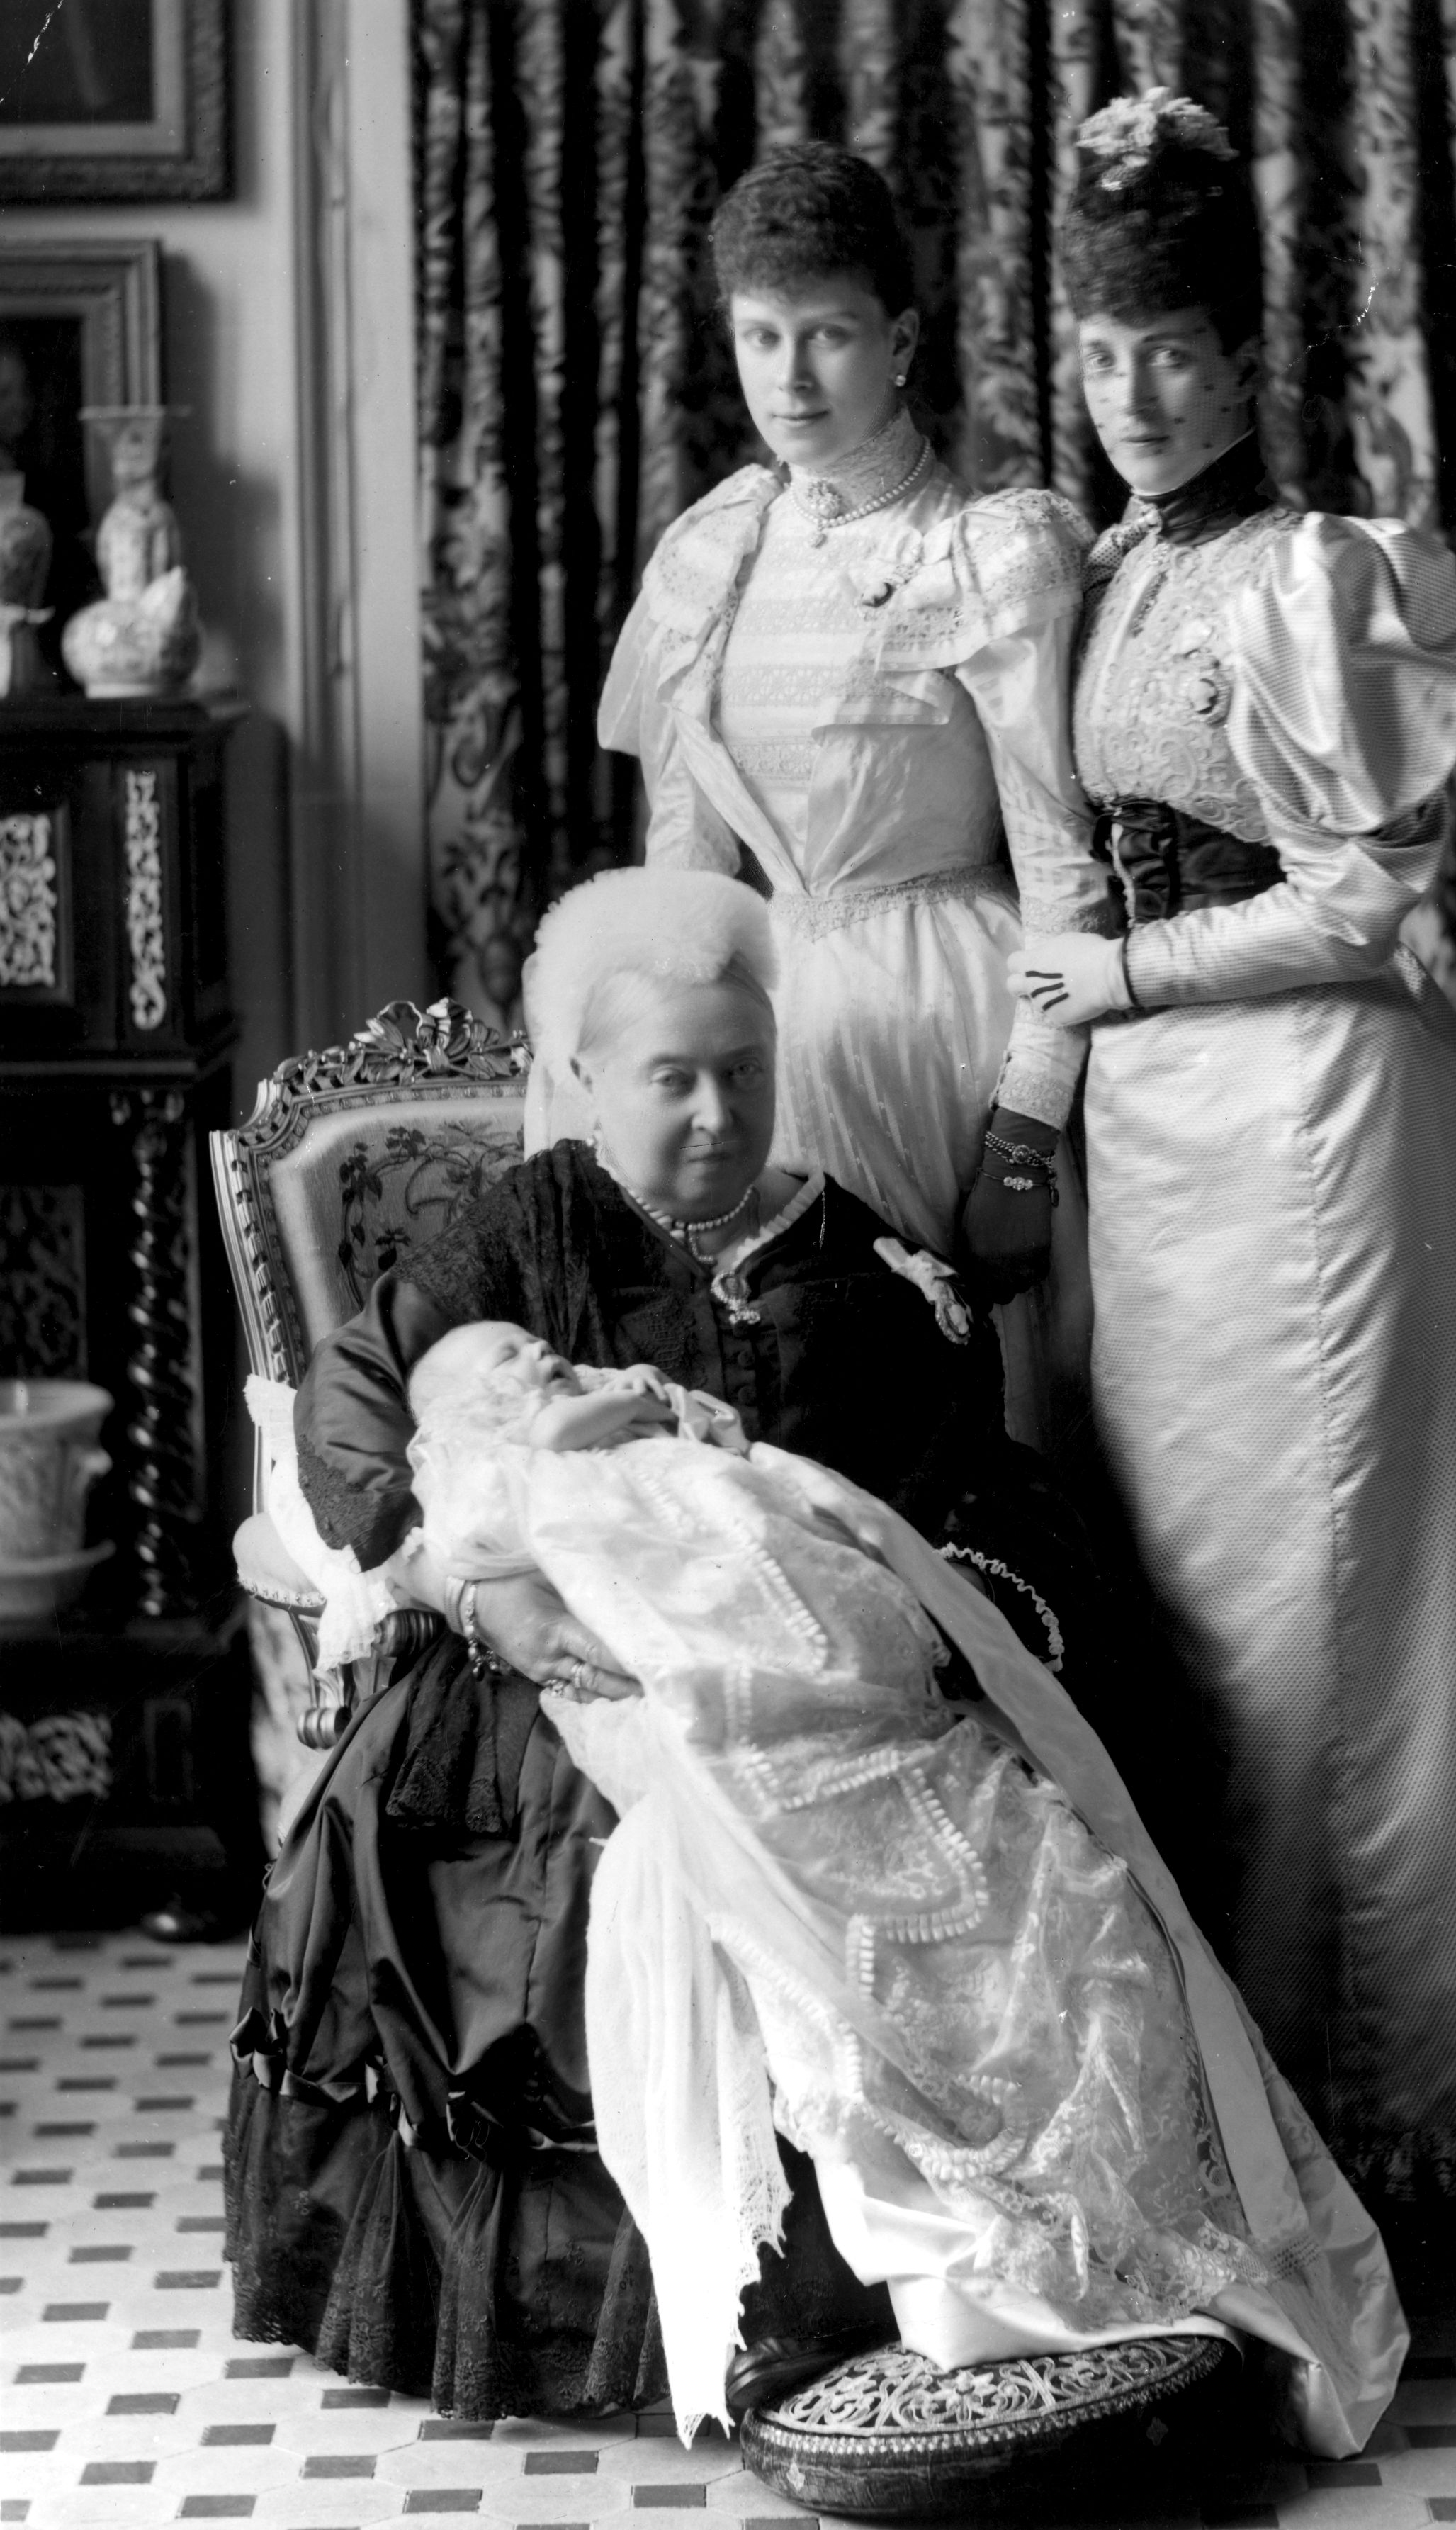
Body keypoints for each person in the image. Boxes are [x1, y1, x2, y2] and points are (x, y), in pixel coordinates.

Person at [1007, 91, 1456, 2196]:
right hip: (1157, 1144)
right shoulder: (1105, 568)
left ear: (1243, 357)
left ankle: (1398, 2087)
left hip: (1318, 1123)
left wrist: (1123, 987)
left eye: (1168, 350)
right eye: (1096, 350)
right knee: (1198, 1597)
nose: (1131, 394)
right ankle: (1235, 2057)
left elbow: (1360, 891)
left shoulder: (1325, 578)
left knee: (1331, 1602)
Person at [225, 868, 1102, 2422]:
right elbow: (355, 1409)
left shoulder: (852, 1258)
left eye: (744, 1074)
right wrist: (459, 1577)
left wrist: (933, 1616)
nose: (713, 1115)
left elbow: (958, 1475)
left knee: (973, 1852)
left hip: (796, 1668)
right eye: (670, 1081)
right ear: (584, 1081)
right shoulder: (528, 1227)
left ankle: (948, 2268)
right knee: (616, 1859)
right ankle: (676, 2302)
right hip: (543, 1663)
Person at [390, 1317, 1405, 2450]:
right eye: (504, 1366)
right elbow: (467, 1527)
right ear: (459, 1424)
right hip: (730, 1703)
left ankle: (1124, 2239)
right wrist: (588, 1427)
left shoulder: (644, 1420)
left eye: (536, 1346)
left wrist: (665, 1420)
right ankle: (1007, 2279)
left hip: (832, 1656)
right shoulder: (510, 1475)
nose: (538, 1361)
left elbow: (755, 1492)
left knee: (1037, 1885)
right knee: (854, 1956)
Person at [593, 142, 1103, 1449]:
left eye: (829, 334)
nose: (792, 376)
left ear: (903, 338)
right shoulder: (710, 554)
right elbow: (685, 875)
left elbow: (1063, 872)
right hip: (764, 1061)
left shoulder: (987, 553)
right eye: (761, 337)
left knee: (957, 1442)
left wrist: (1025, 1138)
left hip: (949, 1043)